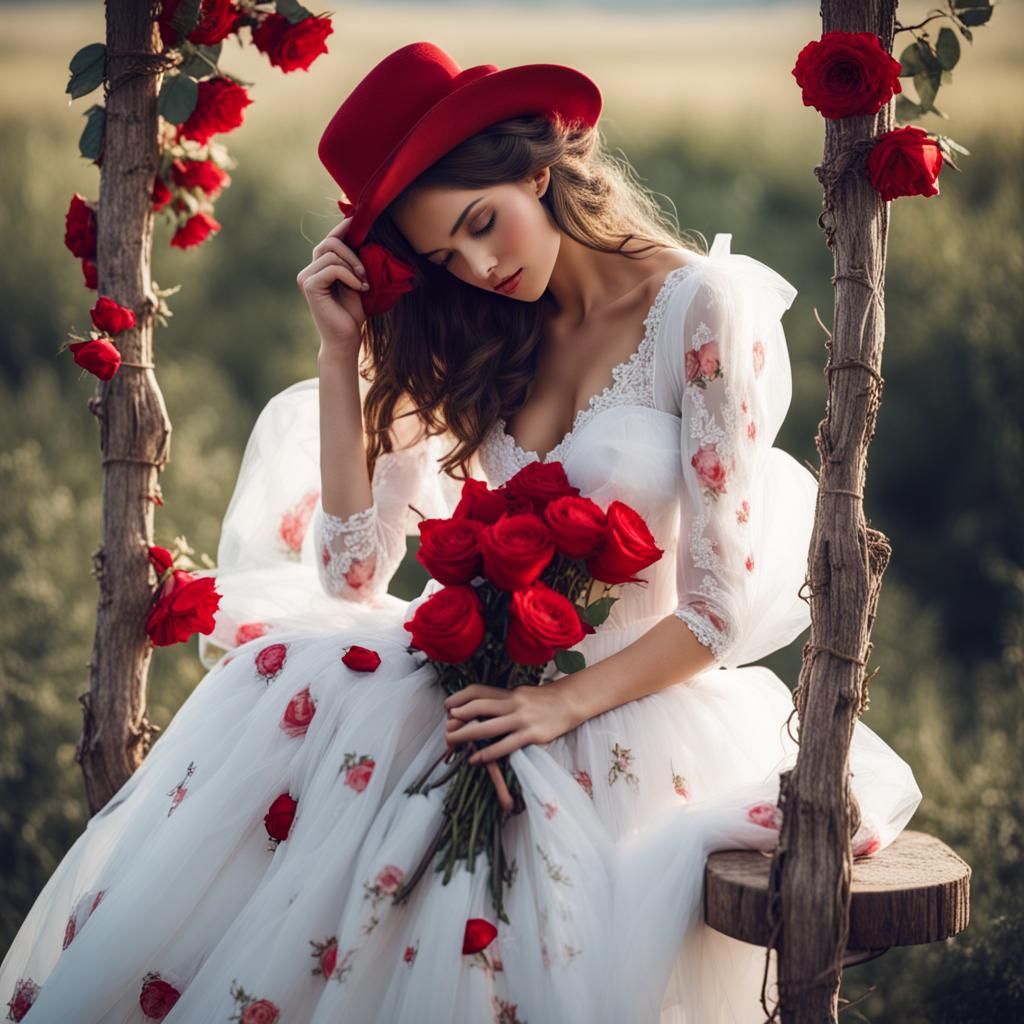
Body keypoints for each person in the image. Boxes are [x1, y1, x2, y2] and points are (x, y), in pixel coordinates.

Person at [1, 41, 922, 1024]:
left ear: (536, 167)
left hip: (628, 700)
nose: (483, 267)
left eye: (484, 224)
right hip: (478, 692)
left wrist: (556, 707)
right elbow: (351, 571)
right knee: (307, 745)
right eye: (447, 256)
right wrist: (340, 348)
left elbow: (717, 608)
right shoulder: (482, 330)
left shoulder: (700, 307)